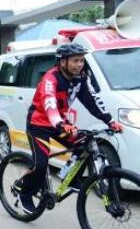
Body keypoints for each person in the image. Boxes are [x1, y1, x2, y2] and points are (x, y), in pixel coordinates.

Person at [17, 43, 123, 213]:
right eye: (75, 61)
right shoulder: (50, 79)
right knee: (41, 165)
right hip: (39, 125)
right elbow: (50, 106)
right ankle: (25, 194)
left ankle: (69, 176)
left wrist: (110, 121)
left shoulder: (81, 77)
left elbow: (92, 101)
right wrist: (62, 125)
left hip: (61, 124)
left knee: (84, 144)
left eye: (81, 60)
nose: (79, 64)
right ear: (63, 62)